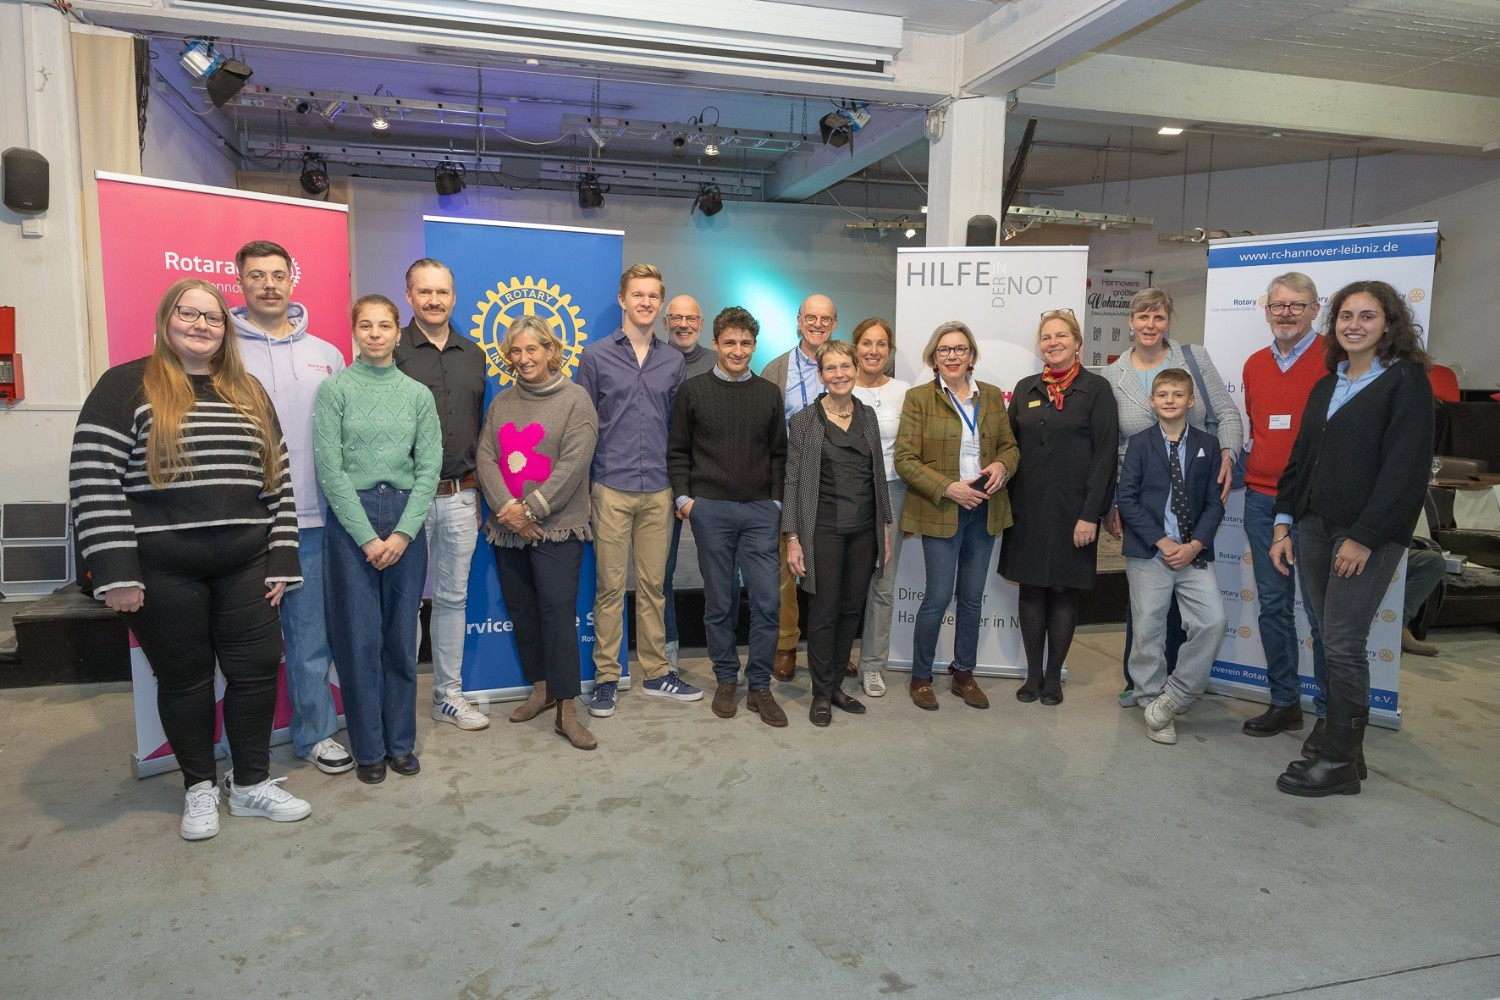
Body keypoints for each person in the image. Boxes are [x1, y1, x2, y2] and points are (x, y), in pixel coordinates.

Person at [71, 279, 311, 840]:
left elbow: (277, 478)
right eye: (189, 313)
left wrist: (281, 557)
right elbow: (93, 479)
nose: (201, 325)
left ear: (225, 330)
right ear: (166, 318)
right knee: (185, 682)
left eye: (213, 318)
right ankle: (199, 786)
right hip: (160, 571)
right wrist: (114, 572)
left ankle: (250, 784)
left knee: (255, 673)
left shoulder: (248, 389)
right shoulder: (124, 385)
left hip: (247, 565)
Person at [1271, 280, 1434, 797]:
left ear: (1389, 323)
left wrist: (1363, 537)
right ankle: (1345, 749)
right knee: (1326, 634)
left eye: (1367, 316)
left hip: (1368, 534)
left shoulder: (1406, 381)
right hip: (1314, 526)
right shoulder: (1328, 383)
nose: (1354, 325)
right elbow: (1301, 460)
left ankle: (1340, 759)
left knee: (1342, 643)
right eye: (1345, 316)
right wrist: (1283, 521)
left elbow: (1404, 471)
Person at [231, 240, 352, 776]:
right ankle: (245, 747)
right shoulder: (222, 351)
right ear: (241, 281)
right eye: (257, 275)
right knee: (239, 640)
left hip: (315, 520)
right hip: (243, 520)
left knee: (309, 637)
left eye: (277, 274)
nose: (268, 284)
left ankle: (315, 735)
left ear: (291, 281)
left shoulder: (328, 354)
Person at [313, 295, 440, 784]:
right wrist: (367, 537)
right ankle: (368, 749)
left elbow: (429, 468)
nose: (375, 334)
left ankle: (400, 745)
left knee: (399, 640)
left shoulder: (417, 395)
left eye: (384, 325)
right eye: (365, 325)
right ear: (354, 331)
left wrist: (405, 531)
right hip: (353, 521)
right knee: (359, 639)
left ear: (396, 332)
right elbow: (331, 469)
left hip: (405, 514)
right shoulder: (334, 391)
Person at [1102, 287, 1241, 708]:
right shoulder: (1113, 375)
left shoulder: (1193, 360)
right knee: (1146, 608)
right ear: (1130, 322)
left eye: (1158, 317)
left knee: (1192, 610)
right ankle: (1142, 684)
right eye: (1142, 317)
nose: (1150, 325)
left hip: (1193, 489)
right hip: (1139, 496)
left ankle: (1177, 688)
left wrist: (1228, 454)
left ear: (1168, 321)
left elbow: (1228, 412)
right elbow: (1108, 443)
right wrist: (1111, 501)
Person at [579, 264, 701, 719]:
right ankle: (607, 677)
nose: (646, 302)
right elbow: (584, 426)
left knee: (654, 585)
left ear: (660, 303)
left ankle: (655, 672)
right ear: (623, 299)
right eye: (638, 294)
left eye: (653, 296)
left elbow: (678, 429)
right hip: (610, 485)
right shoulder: (595, 357)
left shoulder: (674, 361)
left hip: (659, 491)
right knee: (610, 588)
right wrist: (585, 491)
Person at [475, 316, 600, 749]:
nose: (524, 358)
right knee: (523, 610)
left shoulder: (576, 400)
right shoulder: (502, 402)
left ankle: (567, 707)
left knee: (557, 613)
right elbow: (486, 456)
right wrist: (507, 511)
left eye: (532, 349)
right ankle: (542, 687)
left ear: (551, 350)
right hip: (507, 529)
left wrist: (531, 509)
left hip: (557, 529)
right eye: (516, 351)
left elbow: (574, 464)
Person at [668, 306, 790, 727]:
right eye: (730, 342)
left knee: (767, 601)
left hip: (760, 511)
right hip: (710, 511)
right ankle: (725, 678)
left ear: (754, 346)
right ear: (716, 344)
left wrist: (775, 503)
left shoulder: (768, 394)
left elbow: (779, 455)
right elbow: (679, 449)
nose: (738, 350)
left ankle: (759, 685)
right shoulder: (693, 390)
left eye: (746, 343)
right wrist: (685, 499)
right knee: (719, 603)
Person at [894, 320, 1019, 712]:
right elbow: (904, 460)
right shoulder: (918, 398)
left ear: (971, 356)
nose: (952, 355)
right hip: (942, 508)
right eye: (945, 349)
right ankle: (920, 678)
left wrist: (1001, 465)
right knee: (936, 597)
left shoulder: (993, 397)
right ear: (934, 356)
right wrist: (948, 487)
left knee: (972, 598)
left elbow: (1011, 448)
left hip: (985, 509)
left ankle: (964, 674)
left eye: (960, 349)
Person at [999, 308, 1118, 706]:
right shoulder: (1025, 388)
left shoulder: (1096, 390)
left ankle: (1054, 677)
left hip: (1074, 512)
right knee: (1031, 590)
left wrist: (1091, 514)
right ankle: (1032, 676)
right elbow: (1008, 449)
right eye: (1047, 337)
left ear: (1077, 342)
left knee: (1064, 591)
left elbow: (1104, 457)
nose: (1053, 343)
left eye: (1061, 336)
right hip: (1027, 510)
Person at [393, 257, 490, 732]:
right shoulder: (391, 352)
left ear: (454, 297)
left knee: (452, 600)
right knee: (404, 600)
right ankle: (398, 698)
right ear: (408, 296)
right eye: (424, 292)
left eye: (442, 292)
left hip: (460, 496)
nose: (434, 300)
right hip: (404, 500)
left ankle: (447, 695)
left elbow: (484, 432)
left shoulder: (474, 354)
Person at [1239, 272, 1329, 742]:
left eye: (1297, 305)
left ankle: (1331, 717)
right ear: (1267, 309)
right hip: (1262, 498)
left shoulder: (1336, 360)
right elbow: (1259, 429)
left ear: (1316, 309)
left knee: (1320, 612)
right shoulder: (1254, 365)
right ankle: (1284, 703)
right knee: (1274, 607)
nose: (1286, 314)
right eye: (1278, 306)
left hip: (1316, 503)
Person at [783, 340, 892, 726]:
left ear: (855, 369)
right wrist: (792, 536)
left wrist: (886, 529)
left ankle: (835, 688)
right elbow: (793, 482)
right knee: (824, 613)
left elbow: (878, 475)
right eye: (831, 368)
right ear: (821, 375)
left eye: (846, 366)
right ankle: (820, 693)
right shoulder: (805, 421)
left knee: (851, 610)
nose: (840, 374)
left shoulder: (869, 417)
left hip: (865, 530)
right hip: (822, 531)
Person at [1116, 368, 1228, 745]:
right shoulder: (1140, 444)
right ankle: (1151, 704)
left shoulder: (1207, 445)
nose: (1169, 400)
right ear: (1152, 401)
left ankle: (1175, 696)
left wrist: (1194, 544)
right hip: (1150, 552)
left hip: (1193, 553)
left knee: (1213, 622)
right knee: (1148, 630)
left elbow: (1214, 503)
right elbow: (1126, 500)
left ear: (1191, 401)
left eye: (1177, 394)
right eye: (1162, 394)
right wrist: (1162, 542)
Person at [759, 294, 839, 681]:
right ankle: (786, 645)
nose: (818, 324)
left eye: (825, 319)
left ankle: (832, 647)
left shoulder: (843, 364)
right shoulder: (776, 369)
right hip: (790, 480)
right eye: (811, 317)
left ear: (835, 323)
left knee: (832, 567)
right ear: (798, 320)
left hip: (837, 482)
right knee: (785, 571)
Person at [848, 317, 911, 697]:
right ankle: (840, 658)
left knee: (883, 584)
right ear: (855, 347)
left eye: (881, 344)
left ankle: (873, 666)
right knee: (844, 582)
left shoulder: (905, 391)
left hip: (892, 492)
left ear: (890, 351)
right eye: (866, 343)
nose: (873, 351)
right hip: (847, 492)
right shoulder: (839, 383)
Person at [661, 294, 716, 672]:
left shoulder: (717, 363)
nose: (683, 324)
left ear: (701, 323)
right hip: (662, 482)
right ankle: (667, 644)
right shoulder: (654, 359)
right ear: (666, 322)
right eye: (676, 317)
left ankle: (722, 648)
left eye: (690, 318)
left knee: (719, 572)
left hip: (712, 485)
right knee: (659, 572)